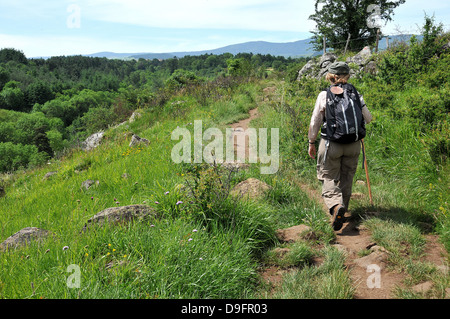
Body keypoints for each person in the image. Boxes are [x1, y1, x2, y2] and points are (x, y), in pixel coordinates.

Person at [308, 61, 372, 231]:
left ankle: (336, 206)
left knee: (327, 176)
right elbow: (368, 118)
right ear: (347, 75)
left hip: (331, 144)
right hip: (353, 145)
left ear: (332, 76)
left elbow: (315, 121)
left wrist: (311, 142)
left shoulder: (324, 95)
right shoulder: (356, 94)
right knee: (347, 177)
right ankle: (343, 207)